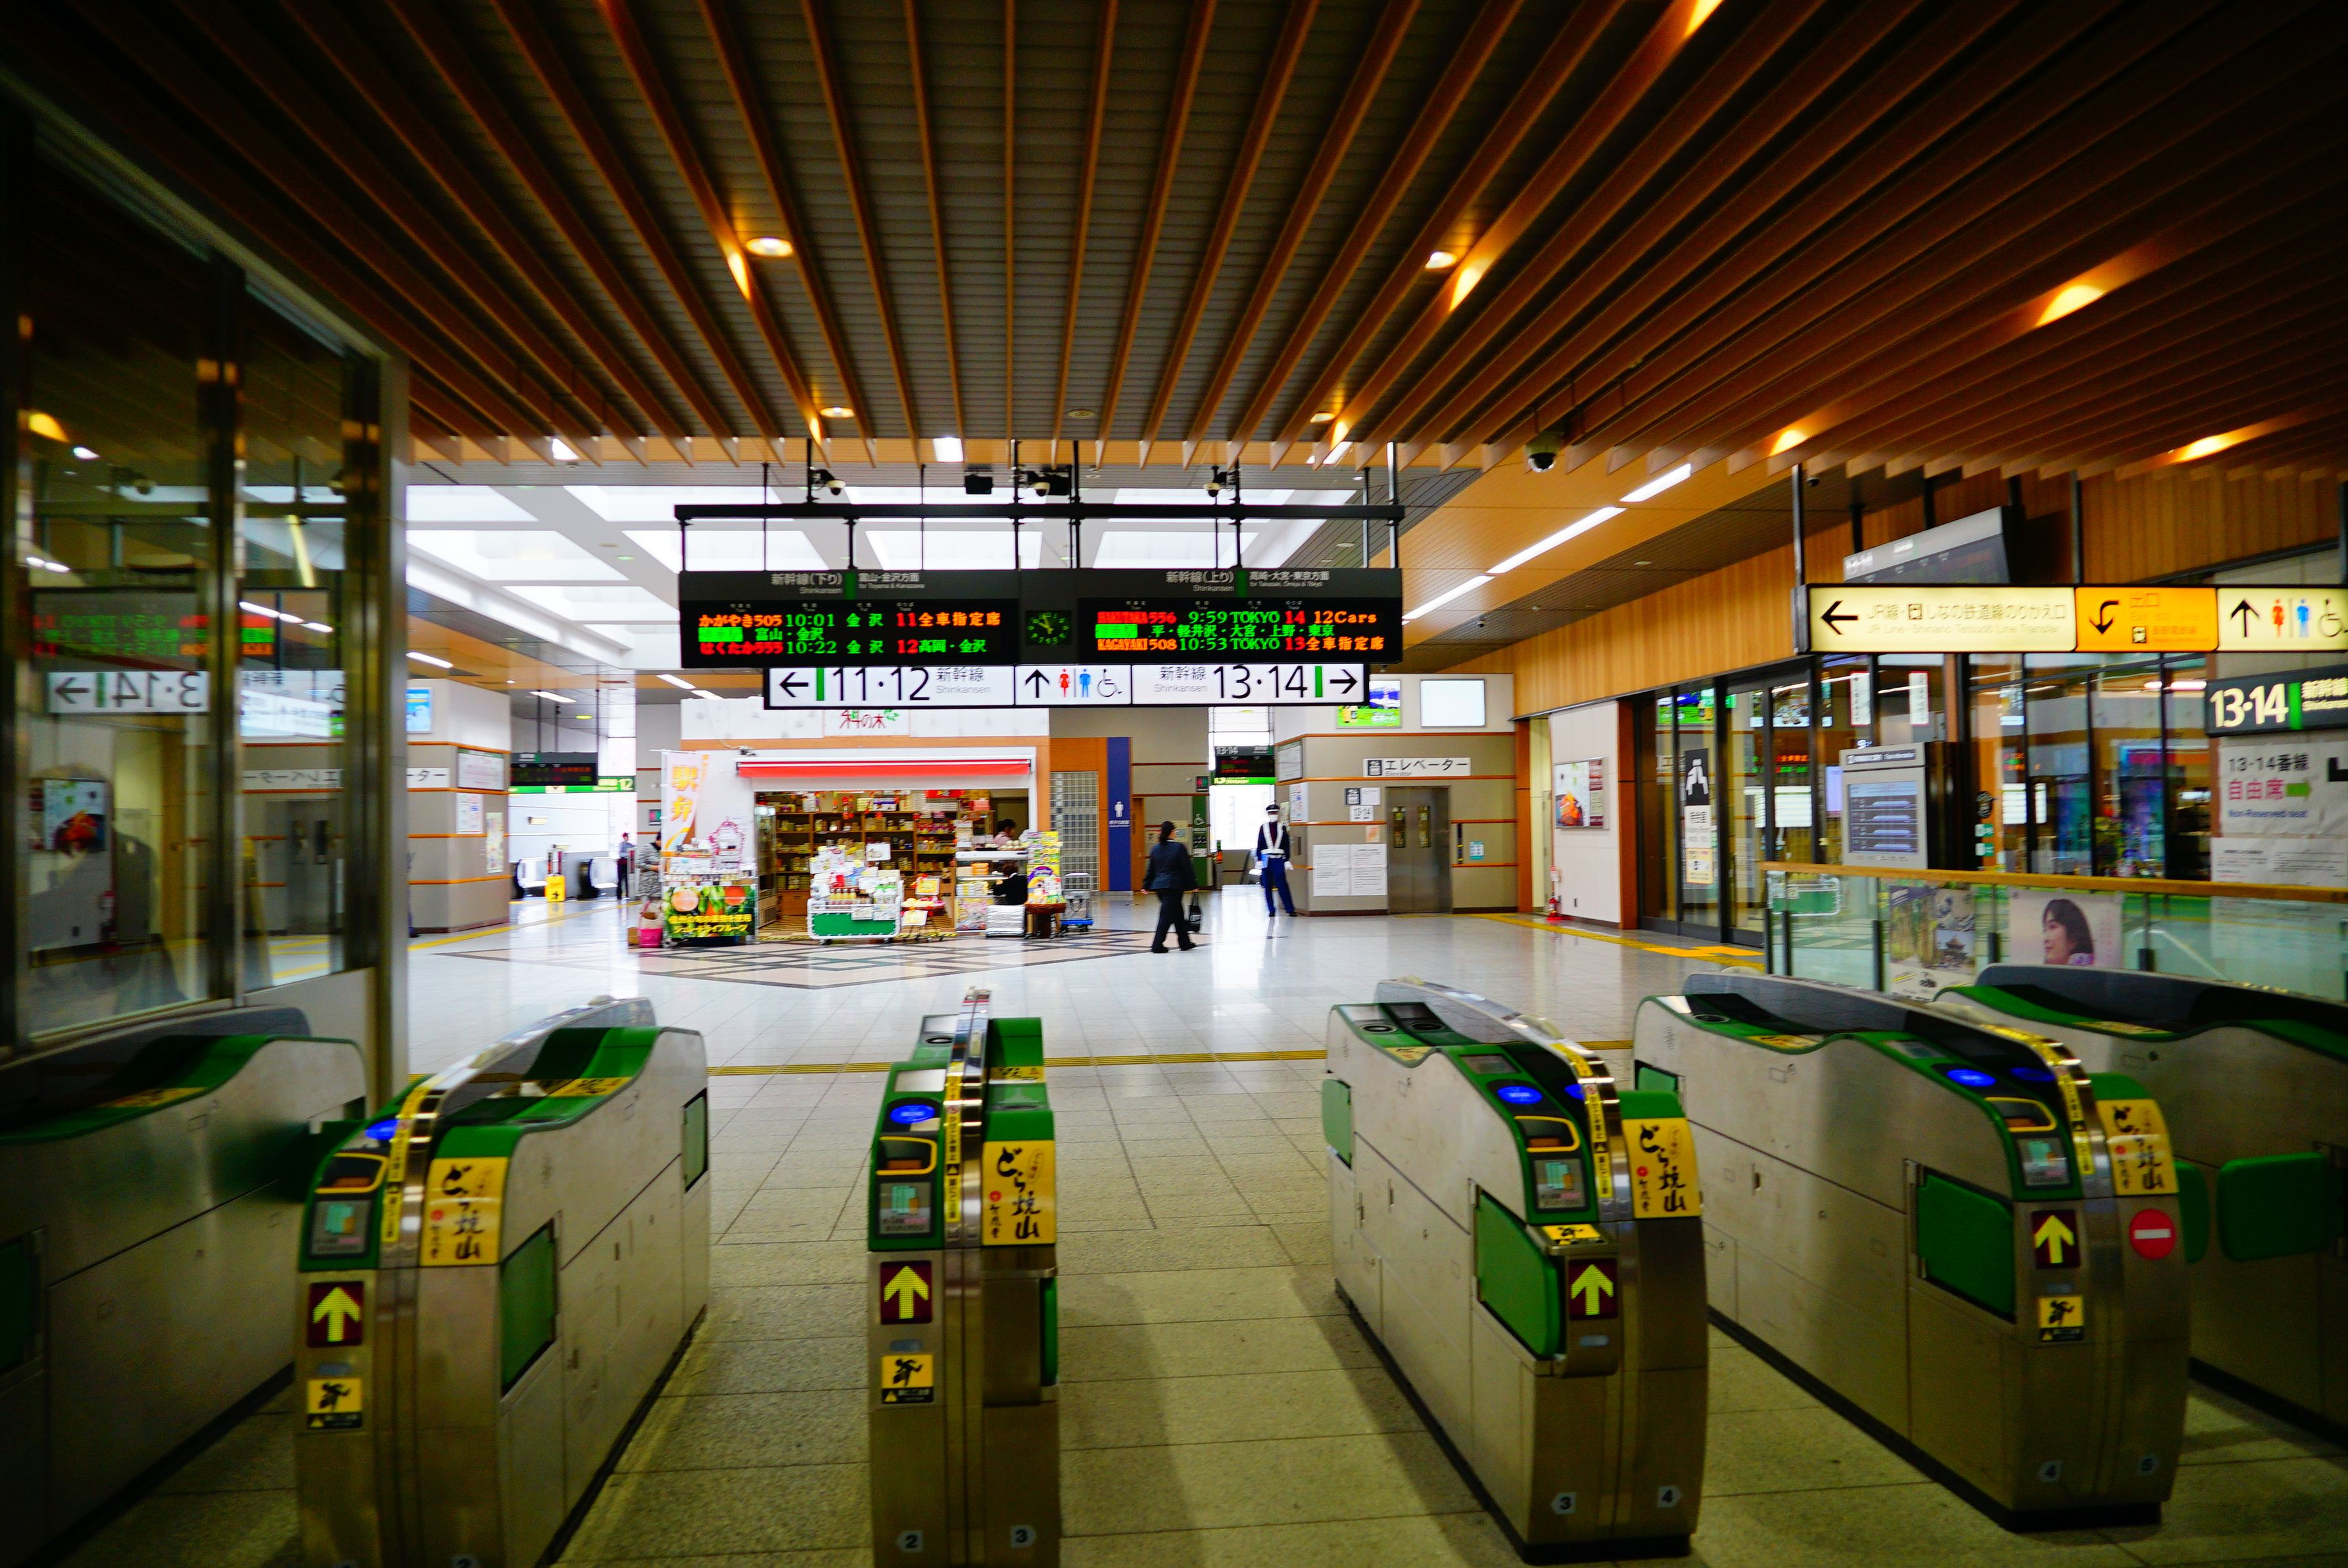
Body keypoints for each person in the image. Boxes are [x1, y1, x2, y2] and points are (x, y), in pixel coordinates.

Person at [1143, 820, 1197, 953]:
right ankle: (1157, 945)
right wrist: (1193, 885)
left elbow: (1151, 869)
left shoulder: (1156, 849)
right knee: (1166, 916)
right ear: (1172, 832)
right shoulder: (1179, 848)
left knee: (1178, 914)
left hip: (1159, 887)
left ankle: (1185, 943)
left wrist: (1146, 885)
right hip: (1174, 887)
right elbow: (1187, 868)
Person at [1255, 804, 1296, 916]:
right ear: (1268, 814)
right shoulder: (1263, 827)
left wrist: (1287, 859)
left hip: (1278, 859)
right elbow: (1260, 844)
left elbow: (1286, 845)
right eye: (1271, 813)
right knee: (1267, 885)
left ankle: (1290, 909)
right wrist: (1259, 859)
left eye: (1274, 813)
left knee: (1282, 884)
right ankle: (1271, 910)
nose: (1273, 815)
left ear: (1278, 814)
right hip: (1266, 859)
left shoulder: (1282, 827)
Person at [2041, 897, 2096, 966]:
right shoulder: (2038, 972)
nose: (2045, 939)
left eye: (2052, 927)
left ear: (2073, 939)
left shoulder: (2089, 972)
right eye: (2045, 930)